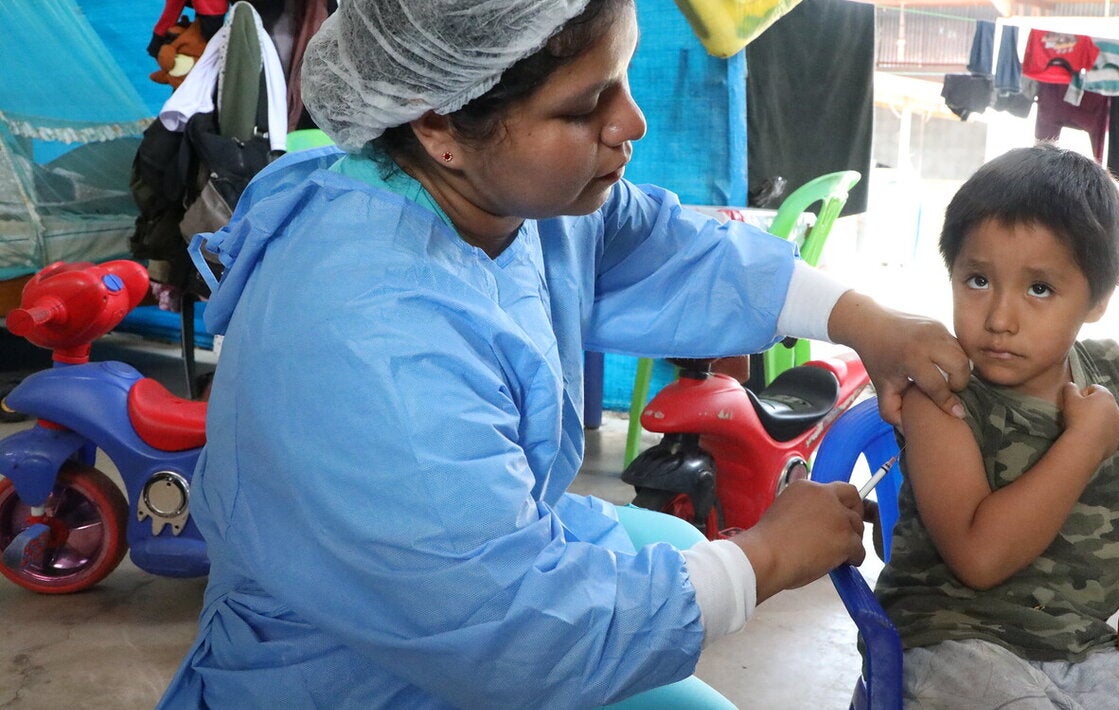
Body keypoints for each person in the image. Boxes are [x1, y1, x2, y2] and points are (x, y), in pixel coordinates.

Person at [158, 0, 970, 707]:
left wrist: (866, 321)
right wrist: (767, 557)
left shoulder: (510, 201)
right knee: (694, 576)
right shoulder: (372, 344)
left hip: (465, 587)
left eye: (621, 79)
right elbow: (515, 631)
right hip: (362, 674)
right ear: (440, 123)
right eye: (587, 107)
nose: (633, 124)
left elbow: (660, 245)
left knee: (683, 554)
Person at [875, 145, 1119, 710]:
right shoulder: (940, 392)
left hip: (1083, 648)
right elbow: (979, 559)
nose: (999, 319)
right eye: (978, 280)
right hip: (950, 640)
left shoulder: (1118, 376)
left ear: (1098, 300)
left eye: (1039, 289)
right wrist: (1084, 442)